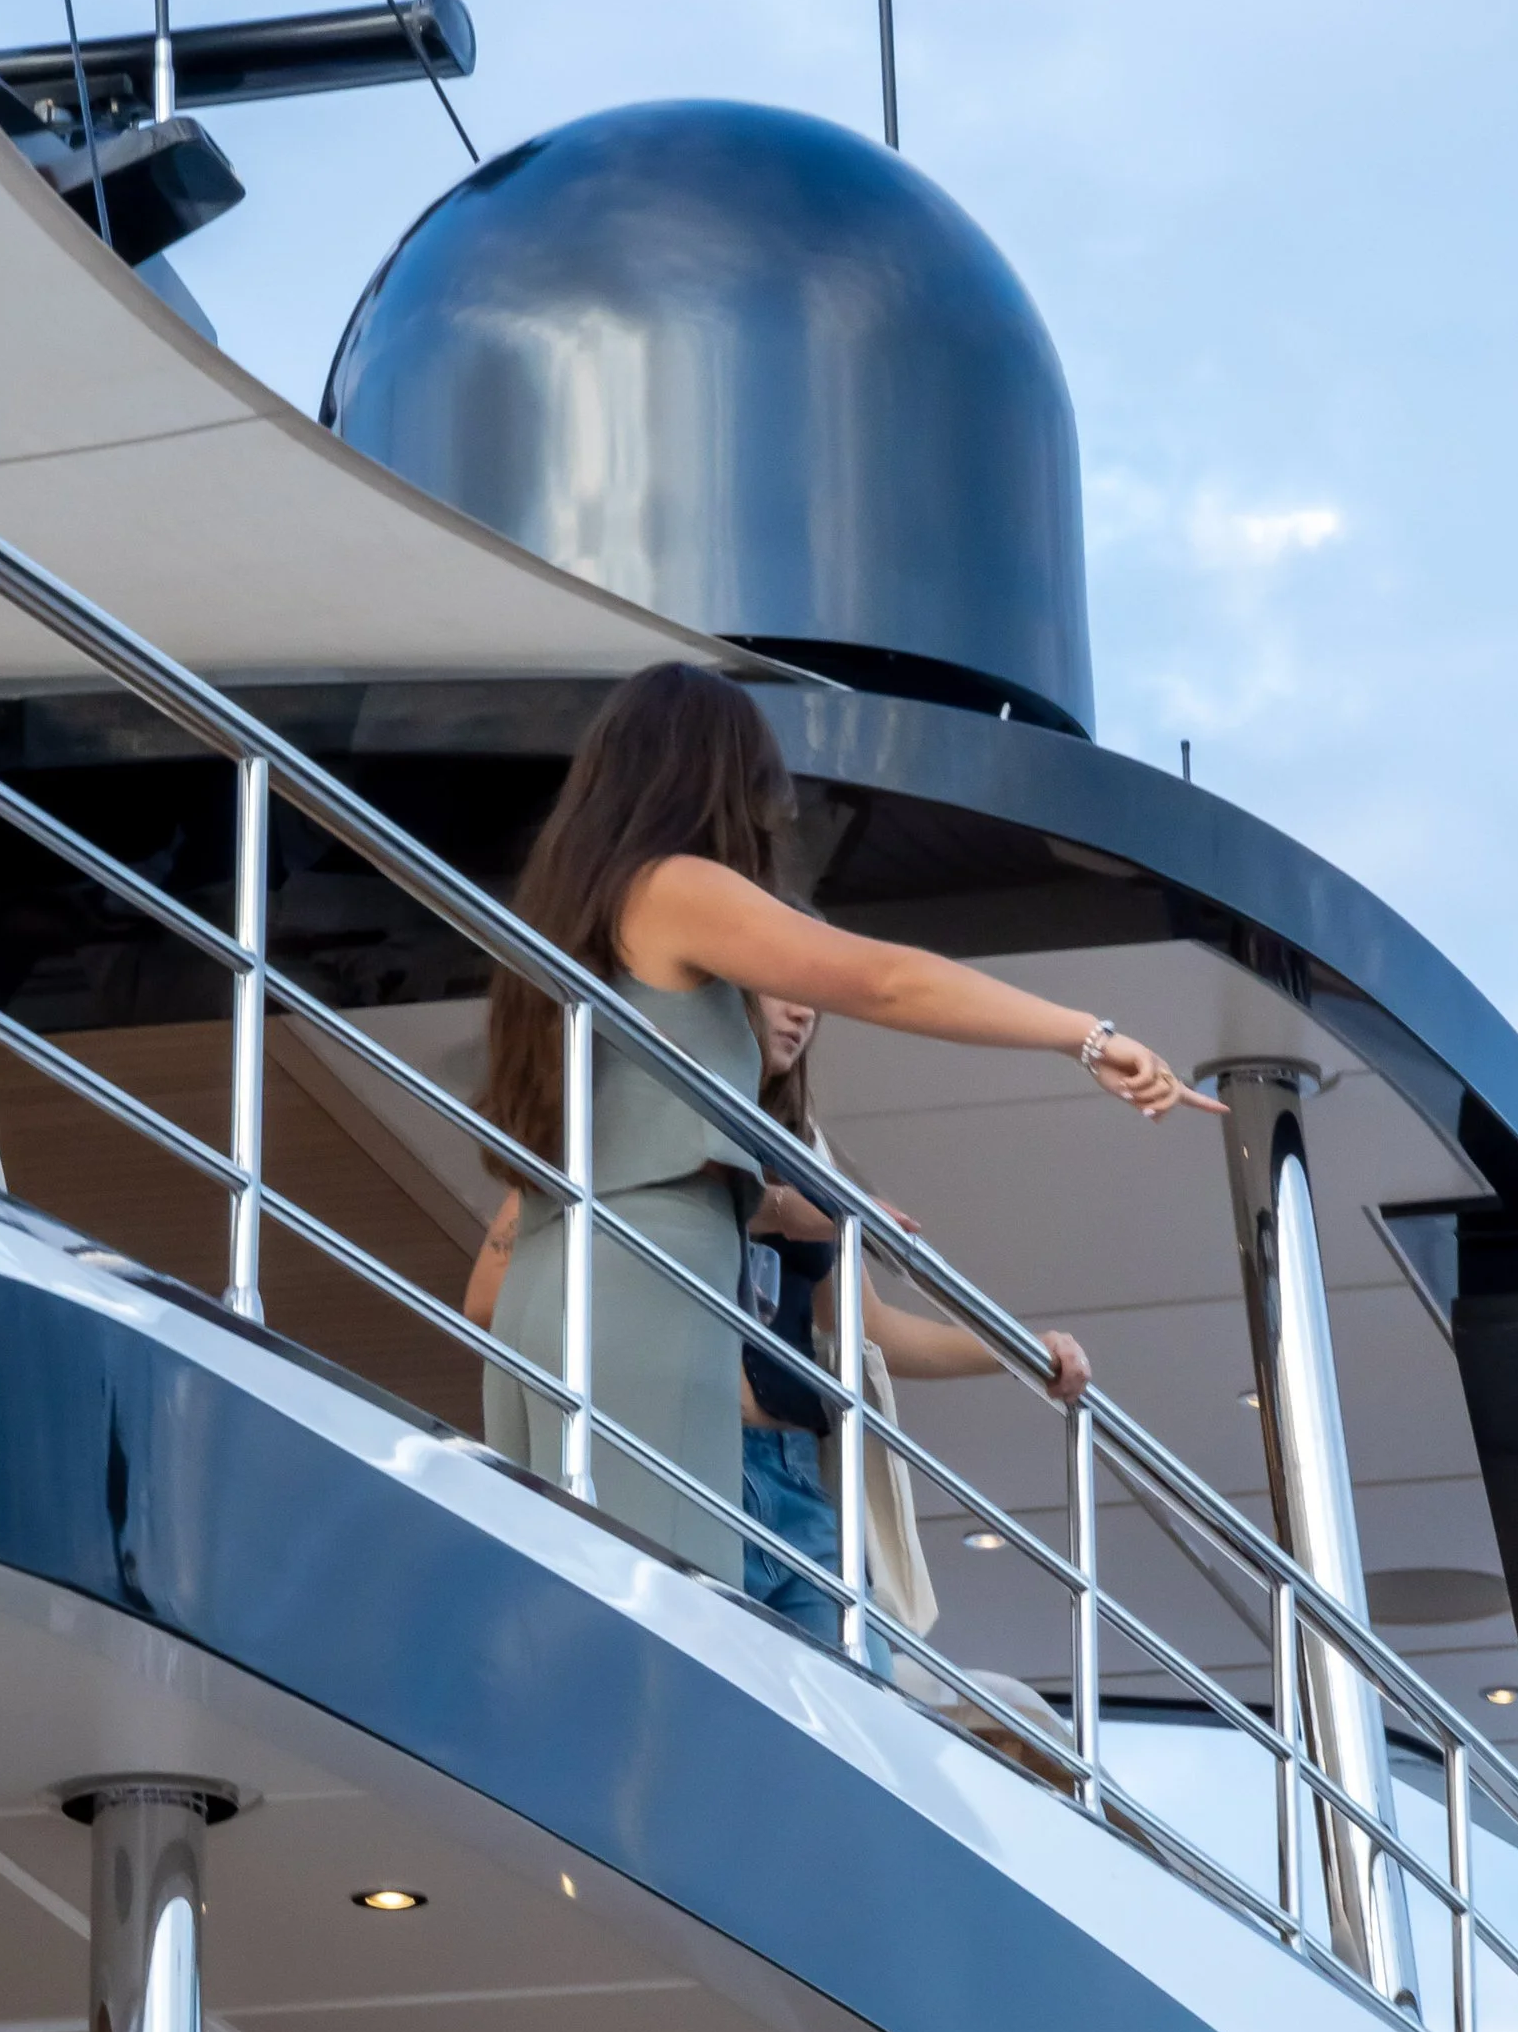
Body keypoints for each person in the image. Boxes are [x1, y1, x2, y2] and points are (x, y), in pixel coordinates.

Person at [477, 663, 1202, 1583]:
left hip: (551, 1285)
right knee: (662, 1625)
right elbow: (883, 979)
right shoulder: (670, 887)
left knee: (574, 1611)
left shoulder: (562, 915)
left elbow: (620, 1137)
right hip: (643, 1291)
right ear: (712, 779)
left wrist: (775, 1210)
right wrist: (1083, 1035)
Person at [740, 988, 1091, 1661]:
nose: (803, 1010)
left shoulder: (800, 1140)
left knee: (860, 1700)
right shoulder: (661, 1111)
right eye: (778, 987)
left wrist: (1020, 1350)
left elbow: (870, 1328)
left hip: (799, 1476)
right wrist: (783, 1209)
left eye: (813, 995)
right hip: (704, 1450)